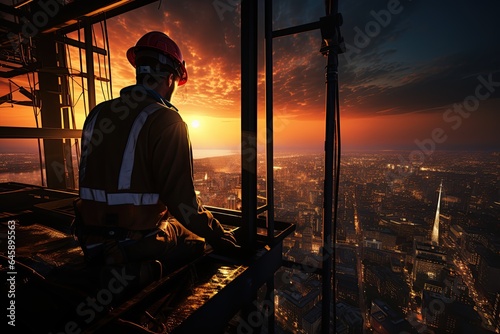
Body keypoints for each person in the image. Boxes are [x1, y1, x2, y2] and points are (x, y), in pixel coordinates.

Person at [73, 31, 239, 274]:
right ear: (171, 78)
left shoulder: (97, 114)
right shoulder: (167, 120)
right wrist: (217, 234)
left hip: (90, 240)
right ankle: (141, 269)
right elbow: (183, 204)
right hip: (134, 239)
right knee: (194, 240)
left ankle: (121, 258)